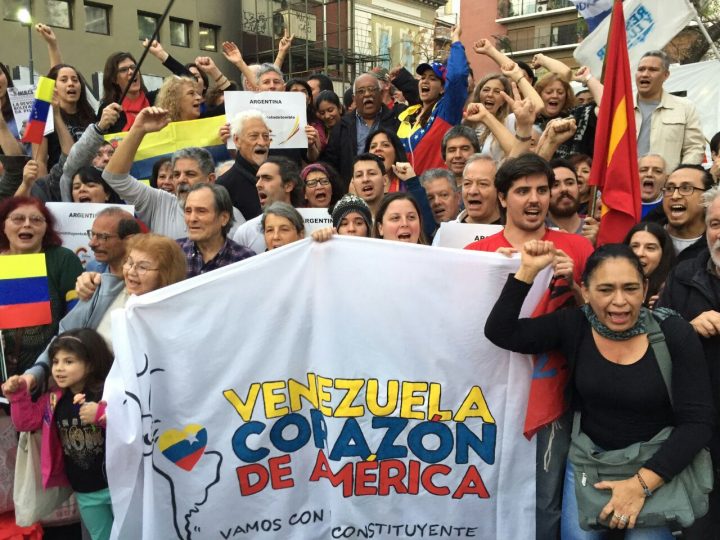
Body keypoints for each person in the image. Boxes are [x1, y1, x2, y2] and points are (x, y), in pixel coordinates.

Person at [485, 242, 714, 538]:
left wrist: (640, 485)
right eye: (605, 290)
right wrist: (527, 271)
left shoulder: (674, 332)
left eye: (630, 288)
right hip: (589, 466)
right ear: (586, 290)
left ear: (645, 289)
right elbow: (501, 331)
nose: (619, 301)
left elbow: (698, 422)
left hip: (656, 470)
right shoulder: (574, 325)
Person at [466, 153, 594, 540]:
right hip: (485, 397)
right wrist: (493, 275)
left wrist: (576, 287)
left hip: (552, 395)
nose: (535, 199)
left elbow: (603, 322)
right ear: (502, 197)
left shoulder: (577, 248)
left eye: (542, 189)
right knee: (482, 489)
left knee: (544, 500)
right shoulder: (476, 254)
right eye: (523, 191)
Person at [20, 233, 186, 394]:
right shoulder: (102, 290)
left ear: (165, 273)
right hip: (85, 395)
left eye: (142, 267)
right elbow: (64, 338)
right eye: (129, 262)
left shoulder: (174, 316)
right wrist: (34, 374)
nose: (131, 271)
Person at [4, 328, 114, 540]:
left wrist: (102, 414)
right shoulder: (54, 400)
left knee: (131, 532)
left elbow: (130, 422)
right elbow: (26, 422)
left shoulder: (107, 391)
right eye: (55, 362)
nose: (59, 368)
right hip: (85, 490)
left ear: (90, 363)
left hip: (118, 484)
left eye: (69, 361)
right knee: (101, 536)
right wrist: (18, 394)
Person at [657, 185, 720, 538]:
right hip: (698, 439)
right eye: (715, 224)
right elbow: (655, 339)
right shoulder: (682, 276)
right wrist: (687, 329)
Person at [0, 196, 83, 375]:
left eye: (36, 220)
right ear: (3, 225)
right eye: (18, 219)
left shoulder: (63, 259)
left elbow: (75, 318)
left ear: (46, 228)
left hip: (48, 370)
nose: (27, 224)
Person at [397, 24, 468, 175]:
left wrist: (455, 40)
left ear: (443, 88)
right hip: (405, 187)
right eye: (423, 77)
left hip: (434, 187)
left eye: (432, 78)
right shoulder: (409, 115)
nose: (425, 81)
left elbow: (457, 76)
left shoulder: (446, 111)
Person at [321, 73, 401, 188]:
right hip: (353, 191)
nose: (367, 94)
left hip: (389, 189)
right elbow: (330, 164)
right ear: (354, 98)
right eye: (361, 91)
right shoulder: (341, 126)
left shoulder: (396, 120)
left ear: (380, 93)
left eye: (372, 89)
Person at [634, 50, 705, 172]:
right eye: (641, 69)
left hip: (668, 182)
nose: (645, 74)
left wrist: (679, 177)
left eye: (652, 70)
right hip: (624, 181)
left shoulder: (685, 107)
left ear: (666, 75)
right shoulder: (620, 108)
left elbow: (694, 148)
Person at [177, 183, 254, 277]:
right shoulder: (173, 254)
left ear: (224, 218)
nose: (192, 219)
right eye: (188, 211)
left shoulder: (244, 259)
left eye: (201, 211)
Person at [232, 156, 303, 253]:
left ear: (288, 185)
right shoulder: (245, 232)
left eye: (267, 178)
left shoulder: (313, 224)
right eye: (258, 178)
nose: (258, 184)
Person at [217, 110, 271, 221]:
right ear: (237, 140)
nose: (262, 142)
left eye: (266, 136)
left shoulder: (280, 178)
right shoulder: (223, 186)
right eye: (254, 136)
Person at [660, 164, 714, 262]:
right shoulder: (646, 236)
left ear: (707, 197)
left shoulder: (715, 244)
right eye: (669, 189)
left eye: (686, 188)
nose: (675, 196)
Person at [547, 158, 598, 244]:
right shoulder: (535, 230)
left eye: (570, 183)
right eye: (555, 185)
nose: (564, 189)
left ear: (578, 187)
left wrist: (596, 245)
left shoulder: (593, 229)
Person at [624, 222, 675, 308]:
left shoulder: (672, 291)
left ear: (663, 254)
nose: (639, 253)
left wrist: (663, 310)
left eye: (650, 248)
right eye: (634, 246)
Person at [456, 154, 501, 225]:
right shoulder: (446, 230)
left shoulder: (516, 229)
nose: (472, 191)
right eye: (467, 183)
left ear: (499, 191)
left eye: (483, 184)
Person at [364, 128, 410, 193]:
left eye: (385, 145)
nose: (378, 149)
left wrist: (412, 181)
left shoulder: (410, 185)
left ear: (396, 152)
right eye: (373, 146)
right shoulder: (358, 184)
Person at [638, 154, 668, 219]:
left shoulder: (669, 209)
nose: (649, 174)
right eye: (643, 170)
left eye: (657, 171)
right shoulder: (621, 206)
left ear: (666, 179)